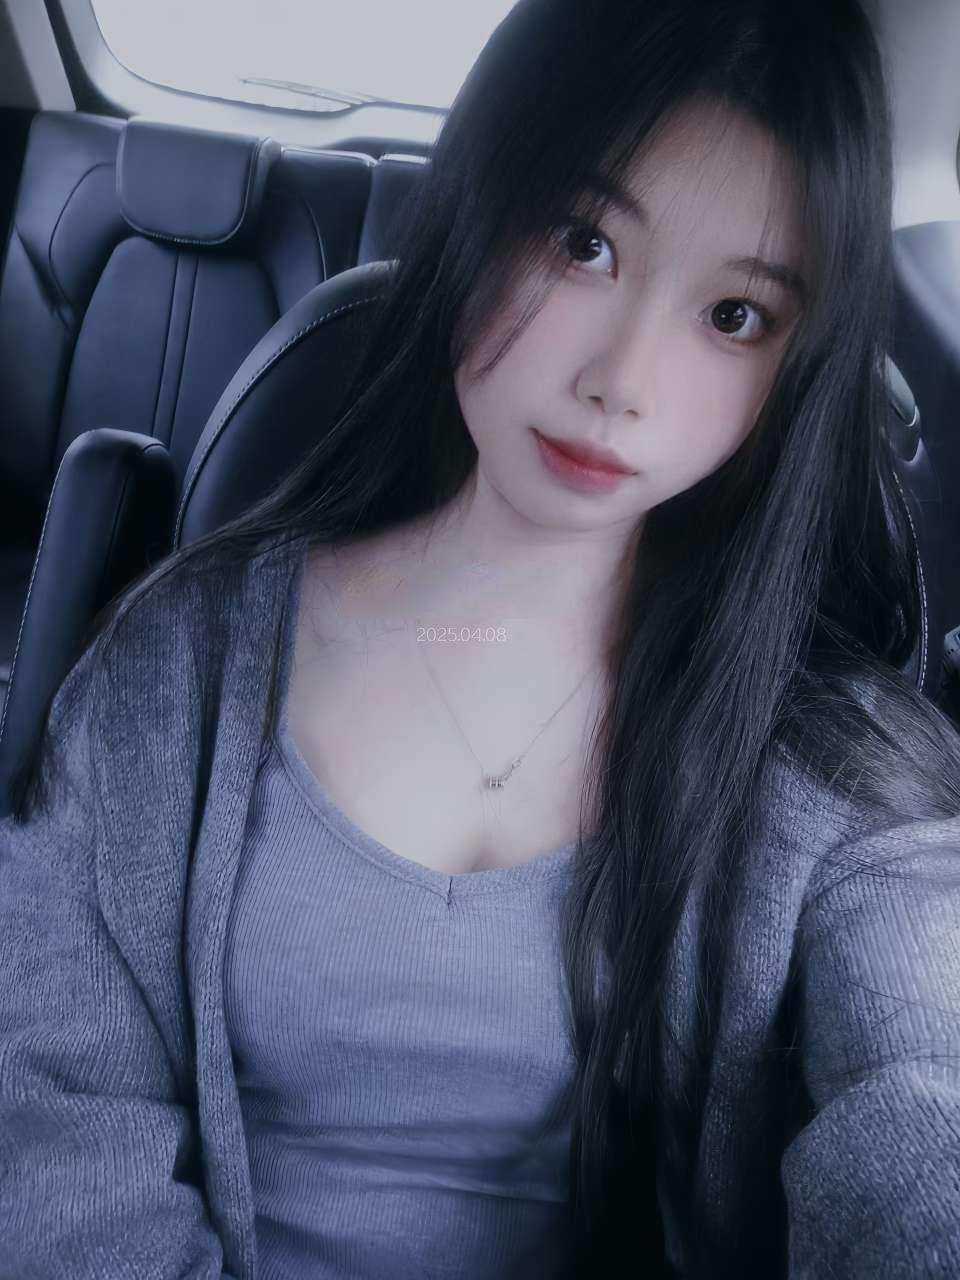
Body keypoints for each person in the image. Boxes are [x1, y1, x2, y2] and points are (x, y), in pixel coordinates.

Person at [2, 0, 960, 1276]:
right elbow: (51, 1117)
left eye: (735, 315)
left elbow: (924, 1101)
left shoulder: (831, 765)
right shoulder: (179, 662)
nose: (621, 380)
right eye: (583, 243)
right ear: (474, 208)